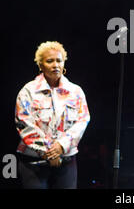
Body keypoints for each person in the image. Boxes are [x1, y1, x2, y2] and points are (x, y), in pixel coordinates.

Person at [15, 41, 90, 189]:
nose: (55, 65)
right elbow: (23, 122)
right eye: (50, 61)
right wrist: (47, 151)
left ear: (64, 63)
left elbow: (83, 119)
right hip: (33, 162)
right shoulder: (28, 91)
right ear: (41, 65)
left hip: (66, 161)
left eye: (59, 60)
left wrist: (61, 146)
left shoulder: (75, 92)